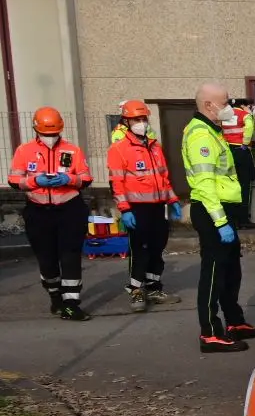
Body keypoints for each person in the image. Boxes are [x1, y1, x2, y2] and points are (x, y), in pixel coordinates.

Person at [183, 83, 255, 353]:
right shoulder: (201, 136)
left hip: (221, 210)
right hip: (211, 211)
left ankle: (234, 321)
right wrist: (220, 222)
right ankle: (210, 332)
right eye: (225, 102)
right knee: (214, 272)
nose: (230, 107)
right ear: (208, 105)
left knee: (230, 269)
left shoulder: (212, 131)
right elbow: (205, 184)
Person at [7, 106, 93, 320]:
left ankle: (72, 303)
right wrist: (35, 181)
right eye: (46, 134)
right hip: (38, 211)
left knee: (70, 255)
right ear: (37, 131)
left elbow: (86, 178)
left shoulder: (73, 150)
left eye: (54, 134)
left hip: (70, 209)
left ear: (60, 130)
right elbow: (14, 180)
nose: (50, 138)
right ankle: (55, 296)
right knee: (46, 258)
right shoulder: (23, 151)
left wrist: (70, 180)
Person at [106, 99, 181, 311]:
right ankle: (136, 290)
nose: (141, 122)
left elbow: (163, 177)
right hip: (137, 208)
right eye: (136, 119)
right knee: (139, 250)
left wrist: (173, 199)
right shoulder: (119, 149)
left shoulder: (154, 147)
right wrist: (125, 209)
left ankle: (154, 287)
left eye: (143, 118)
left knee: (157, 248)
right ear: (126, 122)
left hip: (158, 207)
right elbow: (116, 183)